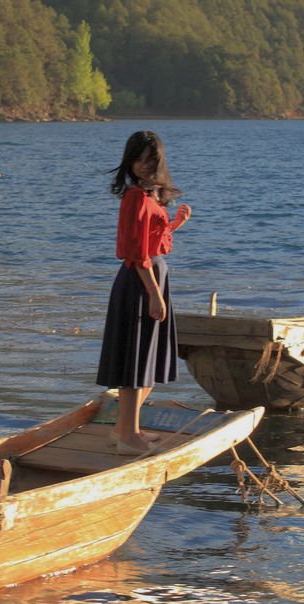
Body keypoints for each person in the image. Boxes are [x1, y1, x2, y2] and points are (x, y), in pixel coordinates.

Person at [96, 131, 191, 454]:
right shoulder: (136, 196)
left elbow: (151, 240)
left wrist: (174, 223)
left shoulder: (150, 195)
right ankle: (127, 436)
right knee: (137, 362)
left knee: (144, 360)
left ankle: (126, 429)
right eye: (139, 160)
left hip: (150, 278)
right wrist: (154, 293)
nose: (145, 166)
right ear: (130, 162)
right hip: (141, 281)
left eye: (151, 160)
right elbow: (137, 253)